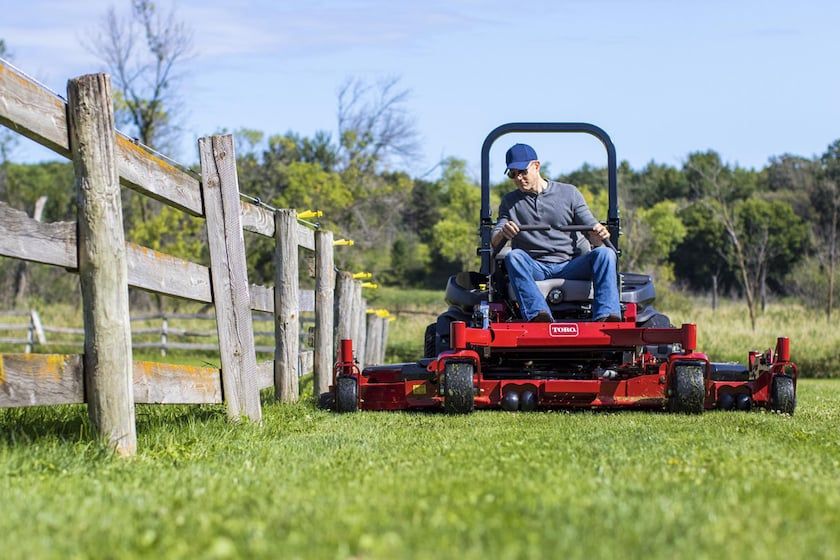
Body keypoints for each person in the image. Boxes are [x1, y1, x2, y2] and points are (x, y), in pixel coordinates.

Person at [490, 143, 621, 322]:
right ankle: (538, 316)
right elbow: (495, 241)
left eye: (522, 171)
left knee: (605, 254)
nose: (519, 178)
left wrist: (599, 234)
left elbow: (594, 234)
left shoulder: (569, 194)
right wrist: (504, 232)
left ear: (536, 166)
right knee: (513, 257)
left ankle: (606, 317)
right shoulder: (509, 202)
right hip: (536, 266)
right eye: (513, 174)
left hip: (570, 265)